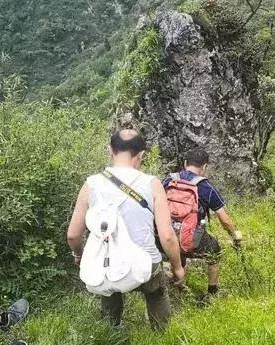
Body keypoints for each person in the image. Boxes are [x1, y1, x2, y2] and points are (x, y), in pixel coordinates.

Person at [67, 129, 186, 329]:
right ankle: (162, 335)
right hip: (146, 266)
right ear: (141, 155)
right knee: (156, 293)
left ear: (109, 151)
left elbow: (73, 235)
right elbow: (167, 237)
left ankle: (111, 329)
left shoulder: (92, 184)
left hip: (110, 264)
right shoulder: (152, 183)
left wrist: (79, 256)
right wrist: (177, 267)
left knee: (110, 284)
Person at [162, 148, 242, 298]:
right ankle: (212, 293)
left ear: (185, 163)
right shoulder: (205, 187)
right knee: (215, 251)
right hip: (190, 239)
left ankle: (178, 285)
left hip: (164, 238)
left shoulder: (168, 180)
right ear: (205, 167)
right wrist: (234, 235)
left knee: (180, 243)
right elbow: (224, 220)